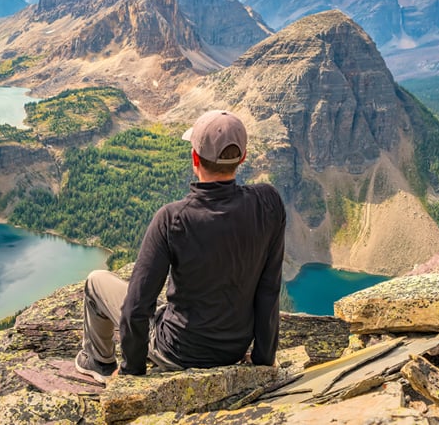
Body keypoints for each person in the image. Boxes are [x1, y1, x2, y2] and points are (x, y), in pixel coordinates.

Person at [75, 109, 286, 380]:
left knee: (96, 281)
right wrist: (263, 362)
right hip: (233, 348)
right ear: (242, 158)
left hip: (177, 352)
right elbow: (269, 288)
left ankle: (99, 362)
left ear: (194, 158)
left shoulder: (173, 218)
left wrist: (132, 374)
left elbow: (136, 308)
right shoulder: (269, 202)